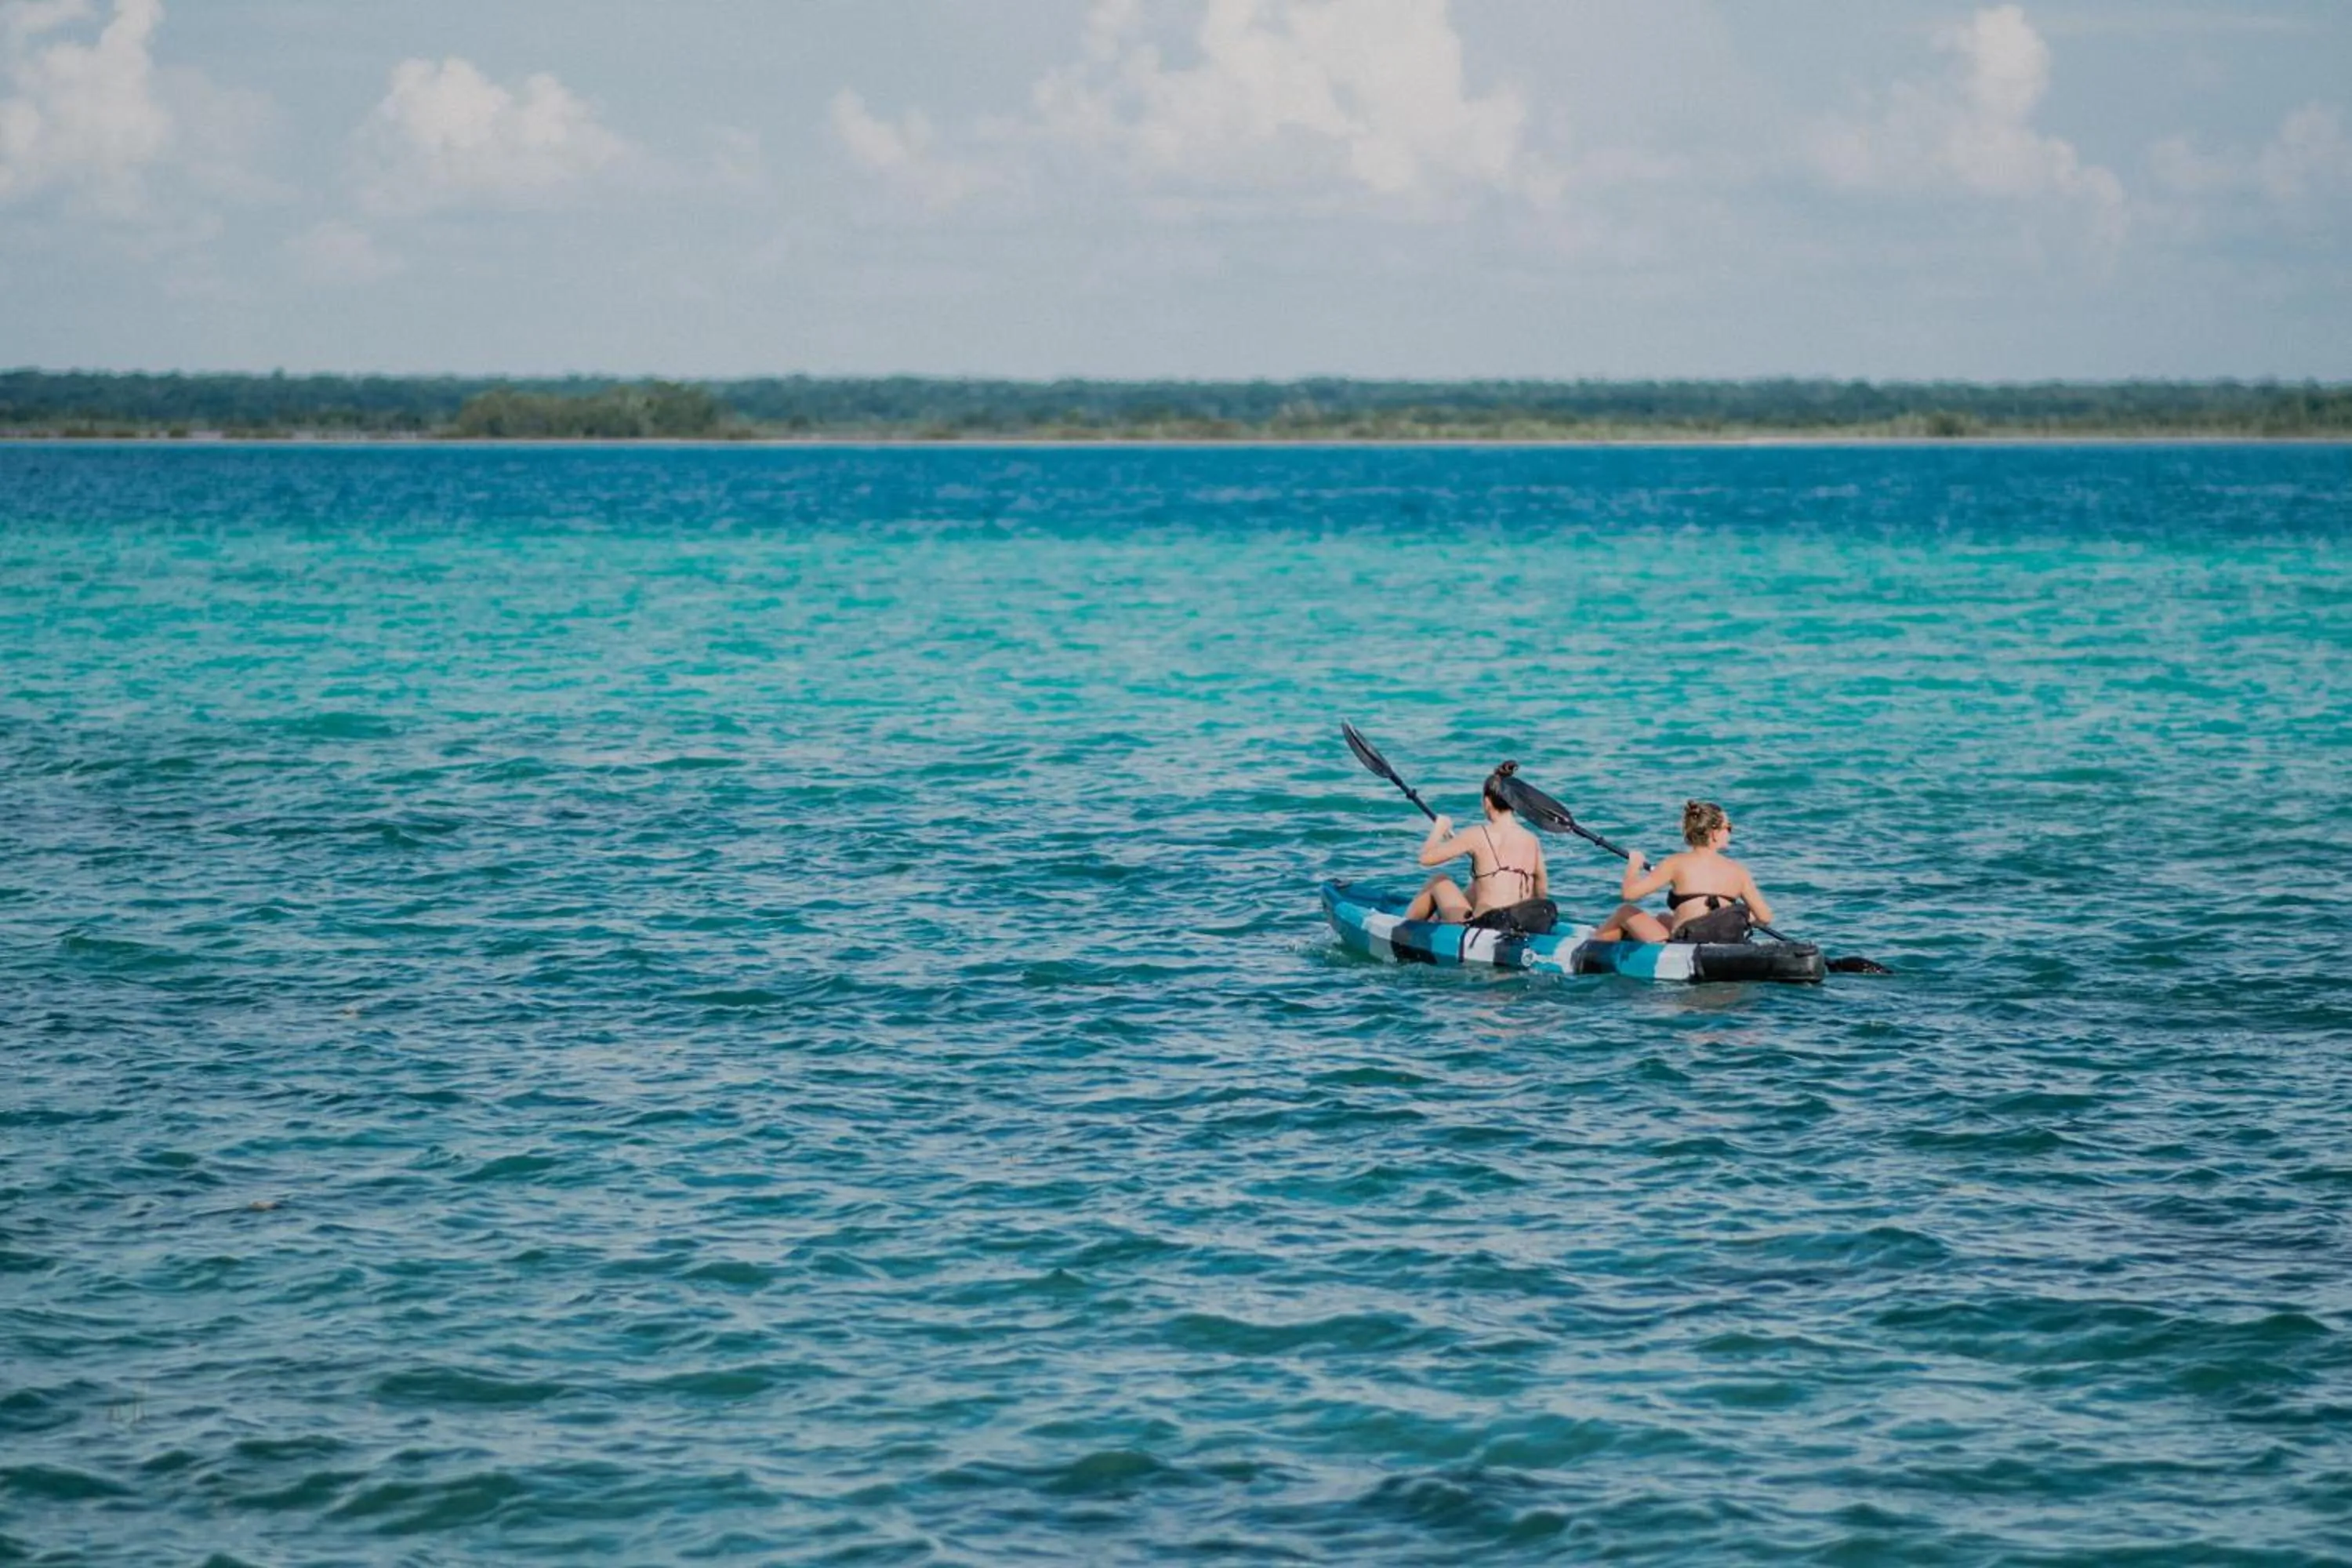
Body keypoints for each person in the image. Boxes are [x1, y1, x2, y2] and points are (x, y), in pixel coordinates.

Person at [1592, 800, 1775, 944]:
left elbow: (1629, 895)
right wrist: (1742, 918)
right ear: (1714, 834)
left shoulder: (1675, 863)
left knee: (1625, 911)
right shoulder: (1739, 871)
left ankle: (1590, 949)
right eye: (1729, 828)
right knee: (1663, 918)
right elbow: (1765, 918)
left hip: (1686, 942)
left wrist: (1634, 865)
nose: (1730, 832)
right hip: (1725, 940)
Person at [1403, 761, 1550, 927]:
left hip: (1483, 925)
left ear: (1487, 802)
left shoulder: (1477, 834)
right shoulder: (1531, 840)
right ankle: (1438, 919)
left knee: (1439, 880)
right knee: (1479, 884)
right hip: (1516, 923)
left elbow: (1425, 859)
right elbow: (1541, 889)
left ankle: (1404, 928)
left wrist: (1439, 828)